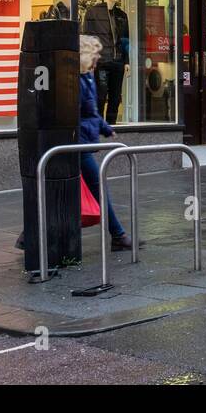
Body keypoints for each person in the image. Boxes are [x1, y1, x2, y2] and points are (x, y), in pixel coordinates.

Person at [79, 34, 135, 251]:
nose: (99, 57)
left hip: (83, 143)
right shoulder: (77, 80)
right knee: (97, 187)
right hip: (79, 146)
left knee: (64, 192)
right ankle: (119, 235)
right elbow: (77, 114)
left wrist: (105, 128)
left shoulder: (87, 77)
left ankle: (28, 237)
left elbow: (90, 111)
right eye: (96, 52)